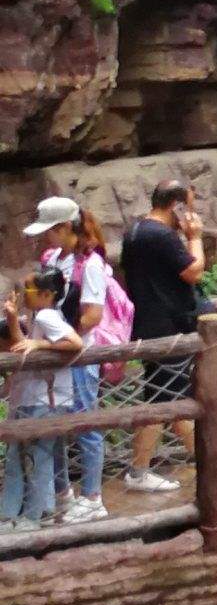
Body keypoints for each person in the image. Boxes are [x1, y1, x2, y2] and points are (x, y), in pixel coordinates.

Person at [28, 197, 120, 524]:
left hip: (80, 357)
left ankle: (93, 498)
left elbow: (93, 316)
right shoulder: (53, 258)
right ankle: (63, 493)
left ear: (65, 227)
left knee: (85, 426)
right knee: (52, 424)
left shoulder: (90, 265)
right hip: (56, 356)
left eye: (49, 230)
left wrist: (61, 337)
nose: (44, 238)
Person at [120, 177, 206, 491]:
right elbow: (194, 271)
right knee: (161, 400)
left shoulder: (135, 230)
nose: (192, 214)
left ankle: (206, 455)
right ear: (177, 205)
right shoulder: (161, 235)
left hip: (148, 322)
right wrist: (195, 237)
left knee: (170, 393)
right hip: (167, 326)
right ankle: (138, 472)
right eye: (190, 207)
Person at [2, 267, 84, 532]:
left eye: (28, 291)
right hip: (31, 398)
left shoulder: (48, 315)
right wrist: (13, 320)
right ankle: (12, 514)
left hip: (43, 401)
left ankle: (35, 515)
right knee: (19, 457)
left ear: (47, 294)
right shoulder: (42, 316)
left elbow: (75, 342)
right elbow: (21, 347)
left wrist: (41, 346)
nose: (25, 295)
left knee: (38, 459)